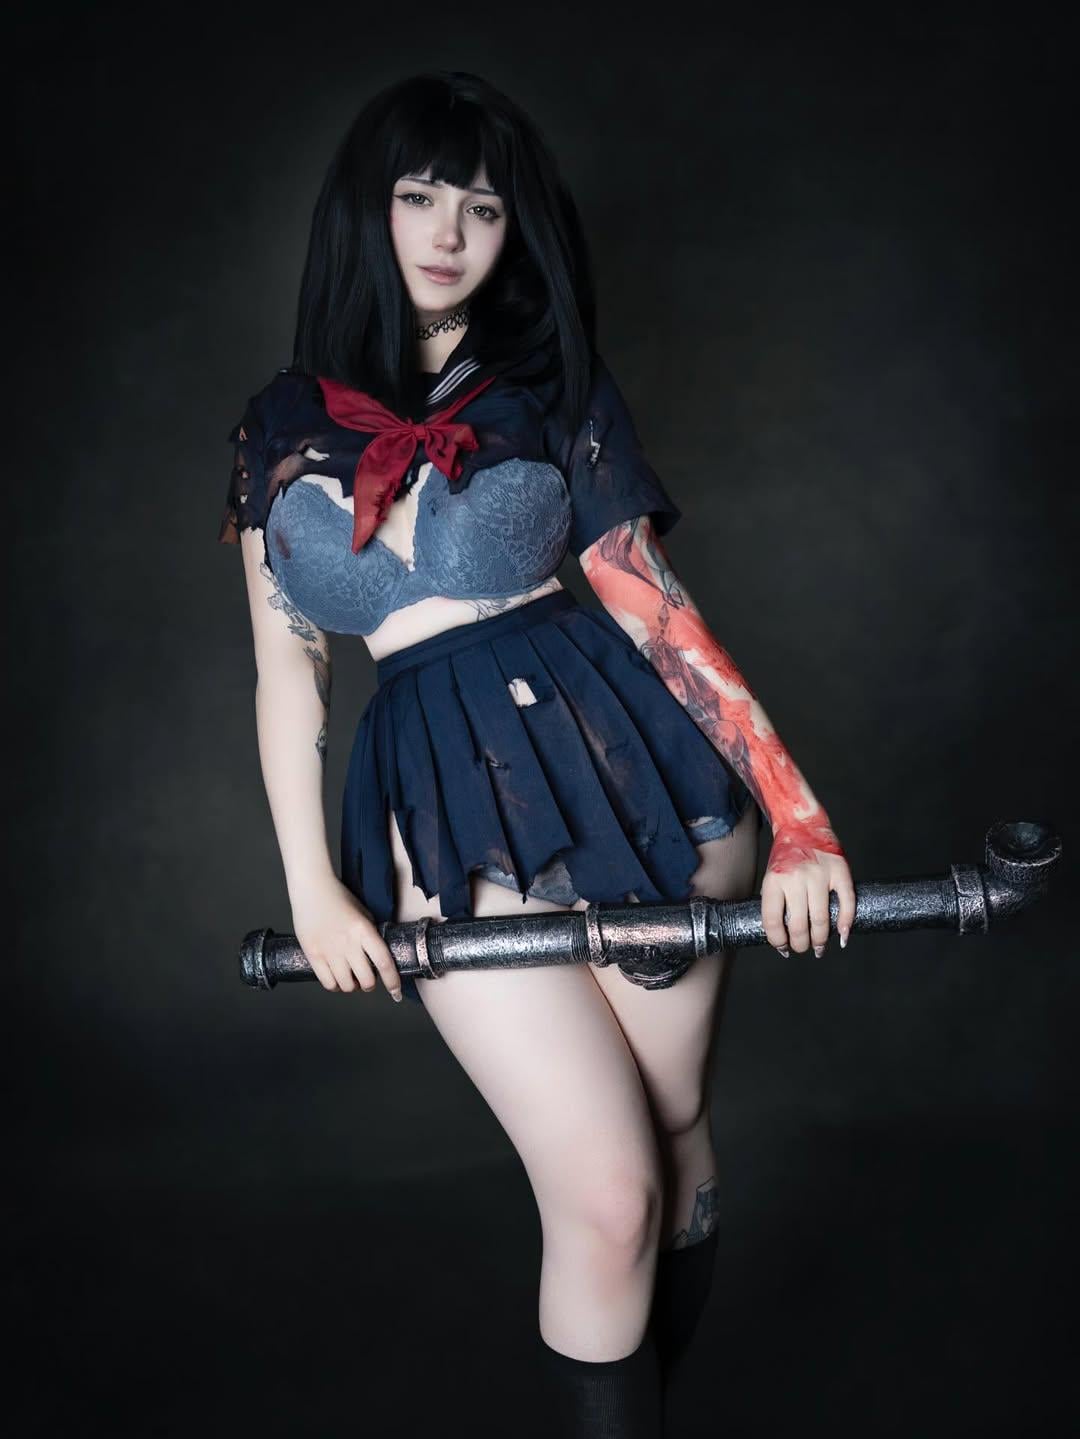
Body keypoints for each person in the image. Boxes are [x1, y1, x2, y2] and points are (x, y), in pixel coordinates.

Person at [217, 69, 856, 1438]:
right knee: (608, 1196)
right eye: (420, 196)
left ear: (515, 232)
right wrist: (313, 889)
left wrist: (800, 821)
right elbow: (287, 670)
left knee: (671, 1141)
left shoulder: (549, 381)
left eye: (484, 207)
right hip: (444, 817)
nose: (450, 232)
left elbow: (654, 607)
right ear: (368, 209)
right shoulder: (279, 424)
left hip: (636, 777)